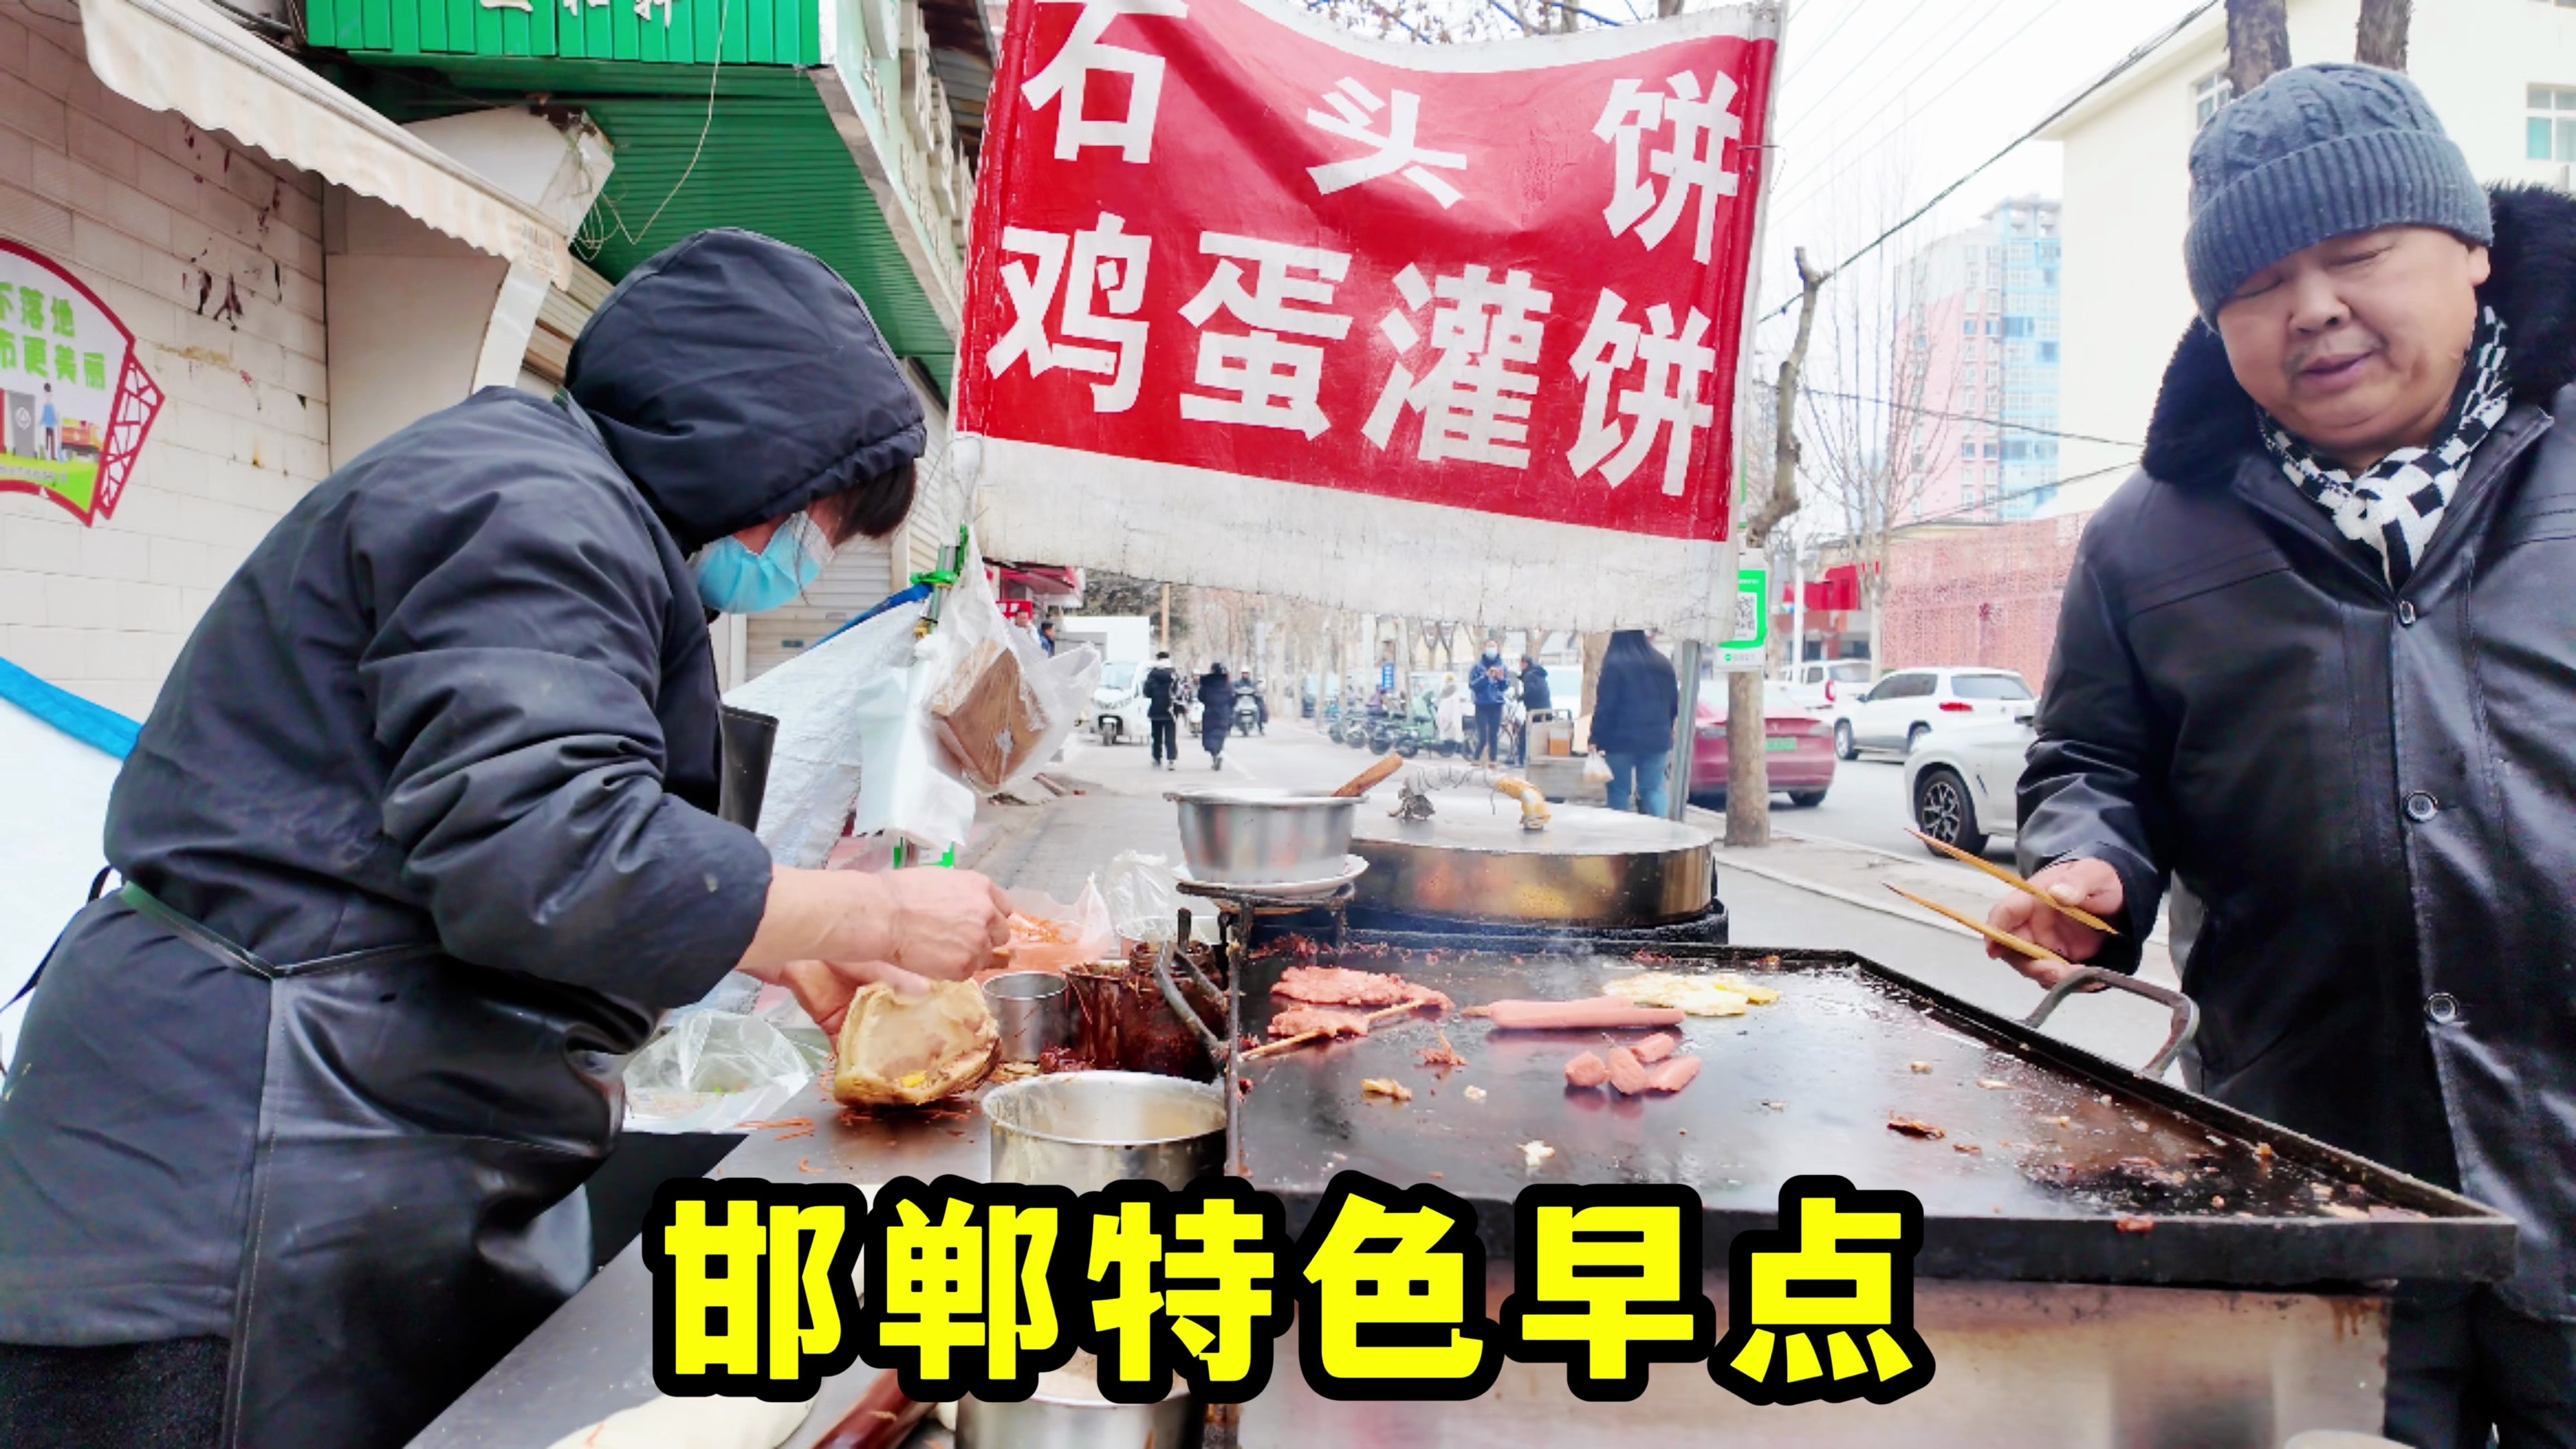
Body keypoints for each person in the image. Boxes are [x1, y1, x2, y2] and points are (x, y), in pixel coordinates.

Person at [0, 230, 1016, 1449]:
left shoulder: (561, 506)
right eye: (818, 517)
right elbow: (548, 849)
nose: (801, 551)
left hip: (337, 1148)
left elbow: (488, 824)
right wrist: (864, 913)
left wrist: (777, 946)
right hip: (232, 1192)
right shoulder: (525, 510)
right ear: (751, 456)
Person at [1992, 66, 2576, 1443]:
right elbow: (2093, 761)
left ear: (2472, 250)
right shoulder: (2149, 536)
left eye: (2359, 255)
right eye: (2257, 283)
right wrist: (2085, 867)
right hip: (2307, 1185)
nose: (2312, 306)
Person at [1589, 630, 1676, 815]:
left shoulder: (1614, 663)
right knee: (1653, 789)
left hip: (1621, 740)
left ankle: (1621, 836)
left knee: (1619, 790)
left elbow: (1605, 705)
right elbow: (1673, 702)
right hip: (1657, 739)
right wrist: (1667, 728)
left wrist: (1595, 737)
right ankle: (1663, 833)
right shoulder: (1662, 662)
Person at [1467, 640, 1510, 762]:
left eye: (1494, 647)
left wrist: (1501, 679)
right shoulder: (1477, 667)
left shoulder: (1502, 666)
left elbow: (1505, 687)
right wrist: (1486, 676)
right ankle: (1476, 758)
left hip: (1496, 704)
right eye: (1489, 647)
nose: (1492, 649)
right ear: (1484, 649)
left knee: (1494, 736)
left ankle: (1493, 761)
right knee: (1483, 737)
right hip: (1482, 704)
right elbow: (1473, 685)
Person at [1141, 649, 1180, 771]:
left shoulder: (1152, 674)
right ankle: (1171, 760)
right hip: (1170, 709)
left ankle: (1157, 758)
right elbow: (1178, 692)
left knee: (1157, 736)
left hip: (1156, 709)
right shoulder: (1173, 674)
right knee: (1170, 736)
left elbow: (1146, 692)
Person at [1197, 661, 1236, 770]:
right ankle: (1218, 753)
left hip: (1210, 712)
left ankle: (1215, 755)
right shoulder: (1227, 684)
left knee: (1209, 736)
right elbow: (1233, 699)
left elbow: (1201, 697)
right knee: (1220, 735)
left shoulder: (1206, 683)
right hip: (1224, 713)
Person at [1516, 653, 1554, 764]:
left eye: (1521, 663)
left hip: (1535, 710)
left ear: (1525, 664)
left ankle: (1521, 760)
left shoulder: (1529, 676)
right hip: (1546, 709)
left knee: (1524, 735)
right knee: (1541, 736)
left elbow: (1532, 691)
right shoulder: (1538, 674)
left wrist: (1521, 697)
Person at [1434, 674, 1467, 749]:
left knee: (1449, 727)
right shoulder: (1451, 692)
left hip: (1449, 713)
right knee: (1451, 727)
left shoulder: (1446, 692)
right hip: (1450, 713)